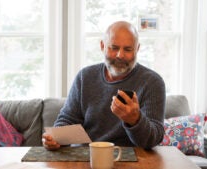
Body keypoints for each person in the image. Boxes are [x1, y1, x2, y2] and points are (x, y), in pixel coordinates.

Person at [42, 21, 166, 150]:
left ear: (137, 49)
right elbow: (68, 119)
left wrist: (135, 120)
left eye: (128, 49)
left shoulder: (152, 82)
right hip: (86, 155)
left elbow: (153, 140)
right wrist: (55, 139)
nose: (120, 55)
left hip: (130, 157)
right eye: (114, 48)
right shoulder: (85, 77)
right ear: (102, 46)